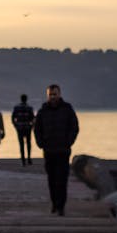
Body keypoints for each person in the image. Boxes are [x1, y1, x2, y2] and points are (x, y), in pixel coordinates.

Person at [34, 83, 80, 216]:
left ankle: (61, 206)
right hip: (49, 151)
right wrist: (40, 143)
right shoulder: (43, 111)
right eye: (50, 95)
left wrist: (68, 142)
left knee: (62, 179)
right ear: (47, 95)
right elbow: (37, 129)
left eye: (55, 94)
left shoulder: (67, 109)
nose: (53, 97)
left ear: (59, 94)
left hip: (63, 151)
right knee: (52, 179)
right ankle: (54, 203)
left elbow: (74, 127)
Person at [11, 94, 36, 166]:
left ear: (21, 99)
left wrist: (15, 125)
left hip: (20, 128)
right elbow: (33, 118)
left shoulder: (16, 108)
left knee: (21, 144)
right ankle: (28, 158)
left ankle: (23, 160)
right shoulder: (29, 108)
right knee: (28, 143)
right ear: (26, 99)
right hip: (28, 128)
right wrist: (32, 126)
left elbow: (13, 118)